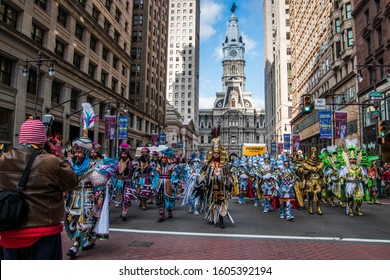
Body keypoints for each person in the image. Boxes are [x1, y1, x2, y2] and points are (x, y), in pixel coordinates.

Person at [0, 119, 77, 260]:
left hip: (9, 230)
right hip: (43, 232)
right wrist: (59, 154)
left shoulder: (3, 159)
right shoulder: (51, 161)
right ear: (43, 139)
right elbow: (71, 182)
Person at [64, 137, 116, 258]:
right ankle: (90, 239)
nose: (77, 154)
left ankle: (75, 246)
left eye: (80, 152)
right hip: (74, 197)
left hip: (88, 197)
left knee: (85, 221)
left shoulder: (93, 166)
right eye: (76, 151)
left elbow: (98, 184)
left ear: (86, 153)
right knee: (72, 220)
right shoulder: (71, 164)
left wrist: (99, 197)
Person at [195, 136, 234, 228]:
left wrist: (228, 184)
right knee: (211, 203)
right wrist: (202, 183)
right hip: (211, 187)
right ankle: (212, 217)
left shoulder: (224, 165)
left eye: (217, 153)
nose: (216, 154)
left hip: (221, 188)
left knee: (221, 203)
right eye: (214, 153)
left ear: (220, 154)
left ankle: (221, 220)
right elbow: (203, 175)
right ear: (212, 154)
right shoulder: (209, 165)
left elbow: (229, 176)